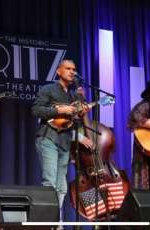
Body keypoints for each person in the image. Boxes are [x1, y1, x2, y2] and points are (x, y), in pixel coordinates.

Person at [32, 59, 93, 225]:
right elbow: (36, 110)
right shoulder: (48, 89)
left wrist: (82, 112)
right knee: (50, 181)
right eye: (68, 68)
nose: (72, 72)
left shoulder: (74, 95)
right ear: (58, 71)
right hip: (48, 138)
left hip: (65, 142)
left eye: (74, 69)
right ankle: (47, 222)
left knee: (62, 187)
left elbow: (74, 123)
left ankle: (56, 222)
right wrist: (58, 109)